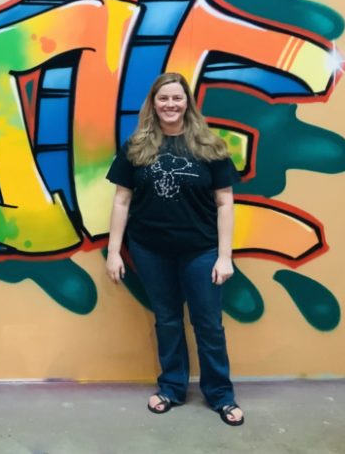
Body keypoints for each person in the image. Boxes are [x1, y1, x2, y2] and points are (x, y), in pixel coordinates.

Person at [104, 72, 245, 426]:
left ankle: (221, 395)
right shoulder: (137, 146)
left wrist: (225, 256)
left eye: (176, 98)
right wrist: (113, 251)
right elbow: (122, 200)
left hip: (201, 251)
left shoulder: (209, 146)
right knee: (167, 321)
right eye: (163, 98)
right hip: (150, 250)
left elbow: (225, 203)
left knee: (208, 324)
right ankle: (171, 388)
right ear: (153, 103)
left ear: (187, 103)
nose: (170, 104)